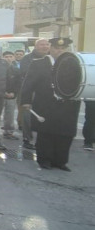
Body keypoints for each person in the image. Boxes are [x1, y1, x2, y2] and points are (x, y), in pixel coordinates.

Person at [20, 38, 81, 170]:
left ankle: (60, 161)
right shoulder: (39, 63)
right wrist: (26, 100)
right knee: (46, 133)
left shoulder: (74, 63)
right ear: (50, 49)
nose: (60, 51)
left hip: (68, 104)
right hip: (46, 104)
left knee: (65, 133)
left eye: (63, 48)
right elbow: (28, 83)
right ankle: (44, 160)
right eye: (57, 48)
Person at [19, 39, 50, 150]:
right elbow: (26, 74)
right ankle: (27, 139)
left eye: (47, 44)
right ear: (36, 46)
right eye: (42, 44)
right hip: (32, 91)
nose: (45, 46)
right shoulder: (27, 58)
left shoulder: (51, 59)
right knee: (28, 116)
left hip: (47, 93)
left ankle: (43, 140)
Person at [1, 51, 19, 139]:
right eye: (6, 56)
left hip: (12, 95)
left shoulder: (16, 69)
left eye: (10, 56)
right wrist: (3, 92)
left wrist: (14, 92)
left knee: (10, 115)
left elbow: (19, 83)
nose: (8, 58)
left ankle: (8, 132)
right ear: (2, 57)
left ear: (14, 58)